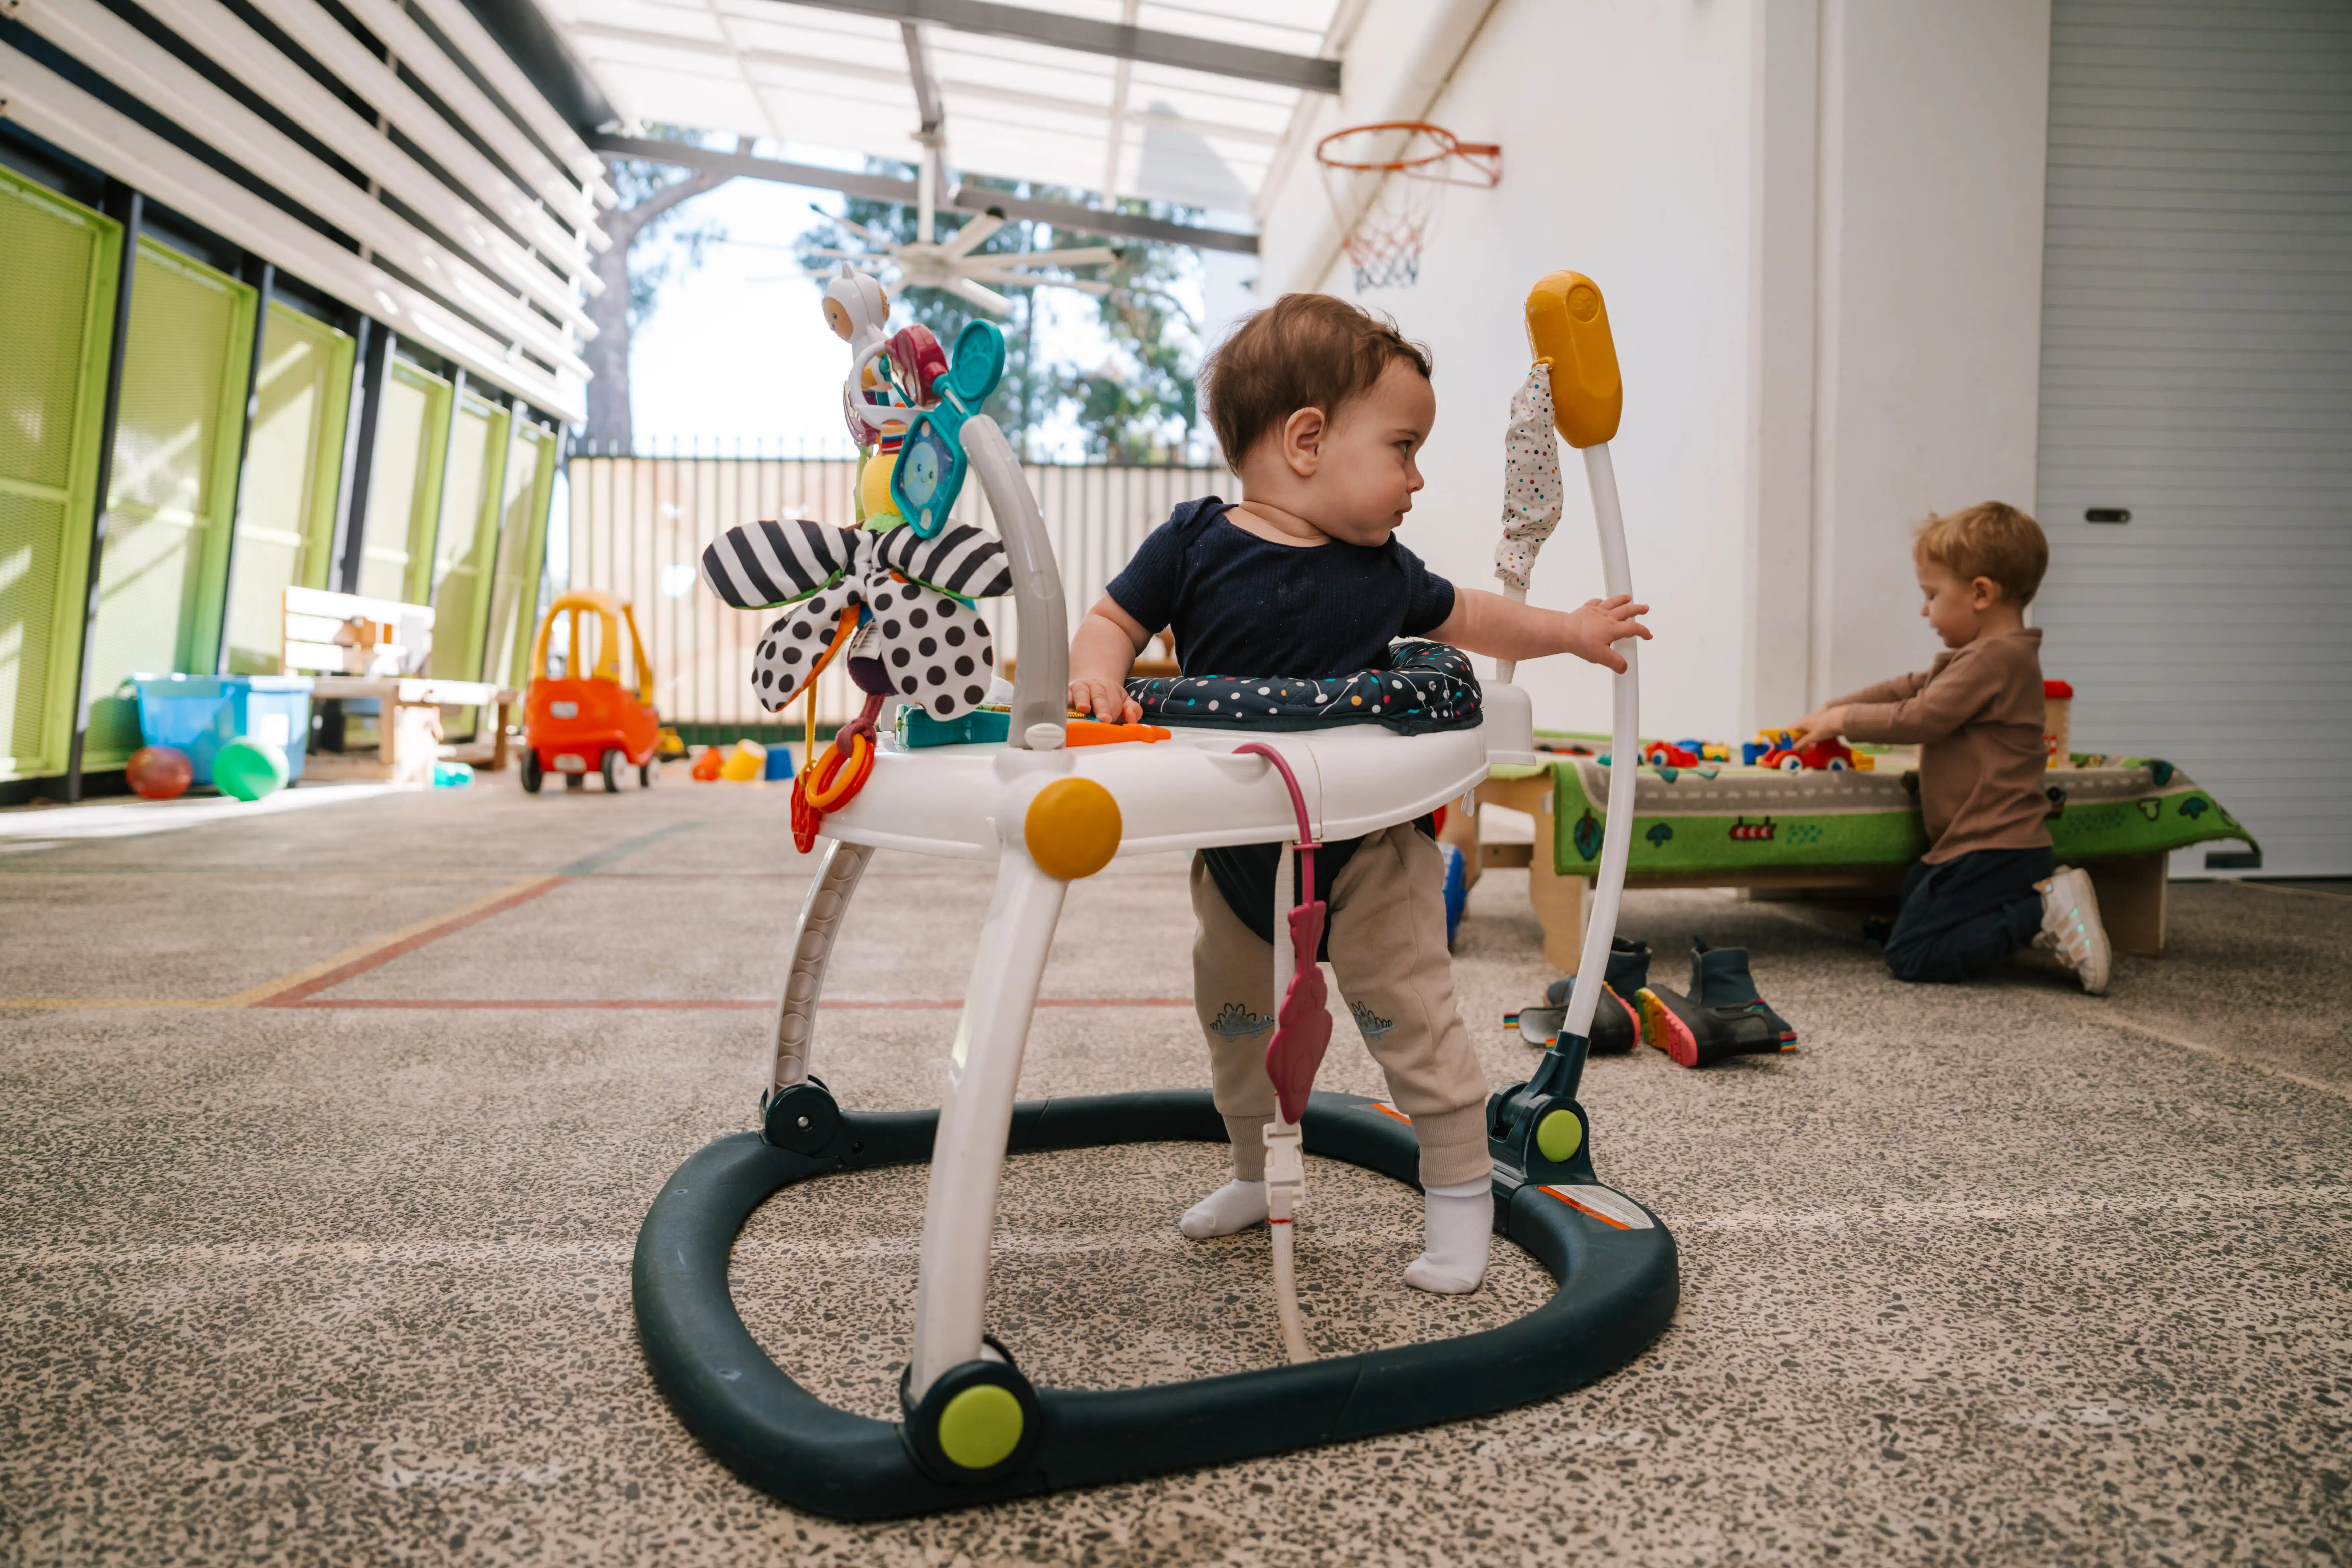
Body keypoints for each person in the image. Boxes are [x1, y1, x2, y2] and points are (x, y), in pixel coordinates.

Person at [1066, 293, 1650, 1293]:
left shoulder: (1382, 571)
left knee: (1414, 1025)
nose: (1418, 478)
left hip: (1373, 853)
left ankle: (1462, 1199)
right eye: (1404, 448)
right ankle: (1256, 1171)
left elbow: (1473, 616)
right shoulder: (1193, 542)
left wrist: (1570, 630)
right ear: (1306, 440)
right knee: (1237, 1027)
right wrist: (1097, 674)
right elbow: (1112, 619)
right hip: (1240, 855)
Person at [1791, 502, 2113, 993]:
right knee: (1916, 892)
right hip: (1973, 845)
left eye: (1932, 595)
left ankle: (2043, 911)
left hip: (1994, 846)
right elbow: (1911, 686)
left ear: (1981, 593)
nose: (1925, 610)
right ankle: (2011, 914)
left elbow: (1923, 715)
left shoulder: (1996, 660)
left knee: (1912, 957)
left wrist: (1843, 720)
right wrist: (1832, 711)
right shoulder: (1984, 657)